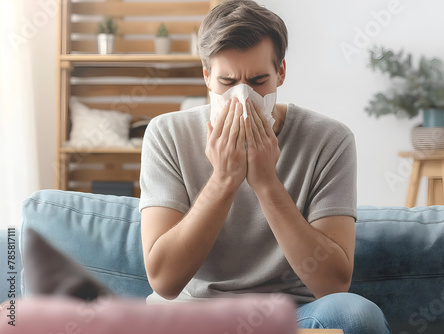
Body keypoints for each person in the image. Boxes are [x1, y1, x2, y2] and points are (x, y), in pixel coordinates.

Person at [139, 1, 392, 333]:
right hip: (193, 315)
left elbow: (332, 284)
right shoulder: (167, 134)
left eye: (258, 81)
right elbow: (164, 281)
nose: (243, 97)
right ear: (206, 76)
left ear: (281, 73)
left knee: (355, 315)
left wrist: (266, 183)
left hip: (295, 314)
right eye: (227, 82)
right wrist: (224, 179)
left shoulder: (330, 140)